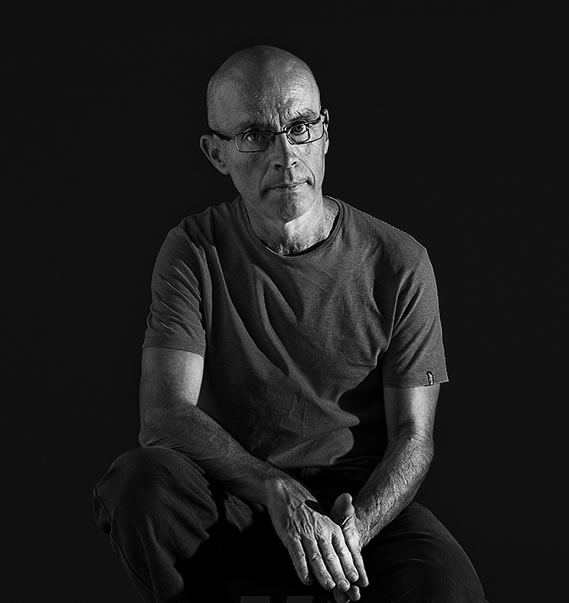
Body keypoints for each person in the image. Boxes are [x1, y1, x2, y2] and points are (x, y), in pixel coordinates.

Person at [92, 45, 486, 603]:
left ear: (324, 134)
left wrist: (352, 534)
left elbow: (413, 438)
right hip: (233, 499)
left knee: (447, 586)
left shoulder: (399, 262)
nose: (285, 156)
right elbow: (164, 415)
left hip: (354, 500)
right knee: (140, 484)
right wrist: (274, 488)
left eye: (300, 128)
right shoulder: (193, 250)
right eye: (254, 135)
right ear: (216, 154)